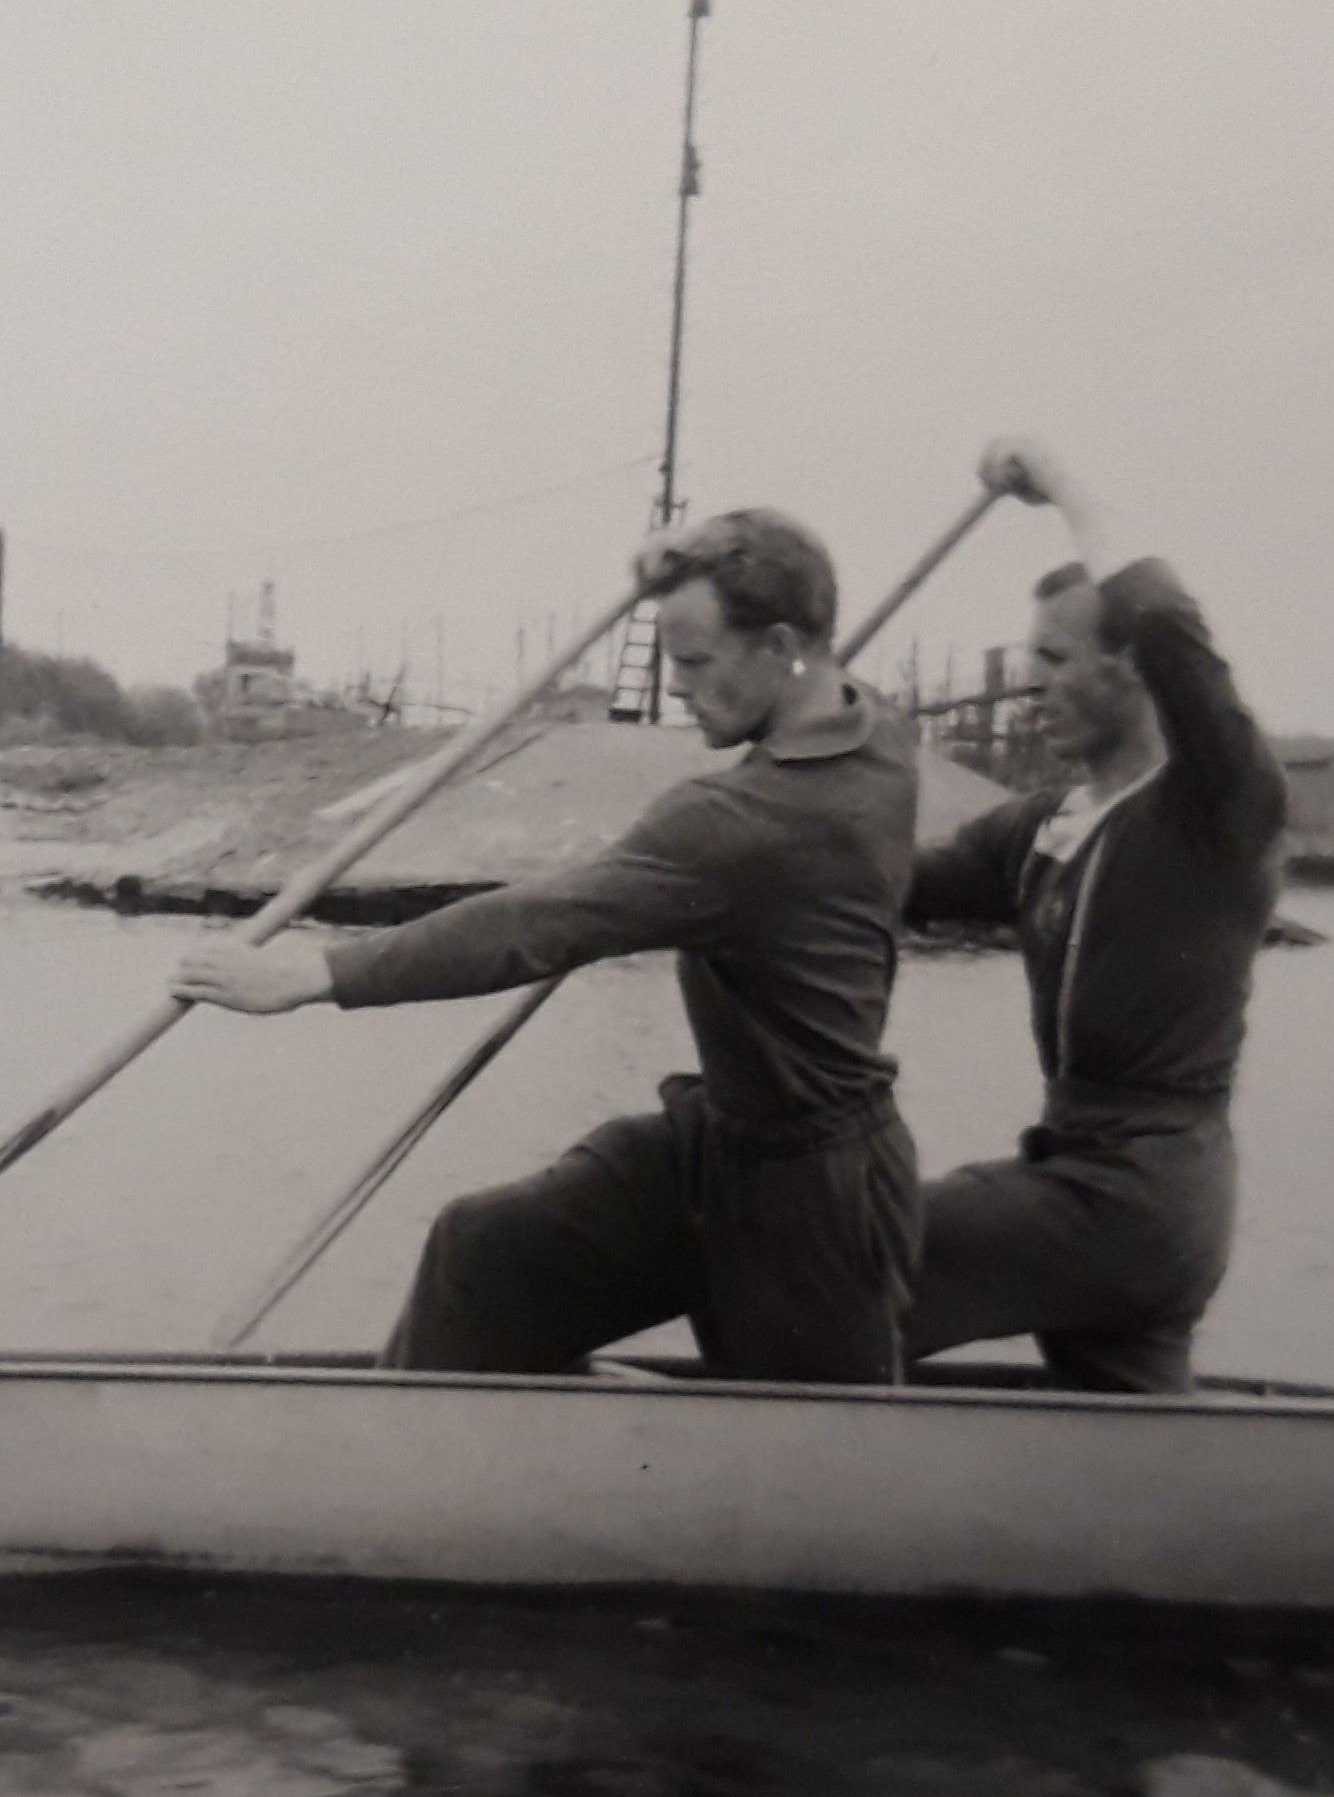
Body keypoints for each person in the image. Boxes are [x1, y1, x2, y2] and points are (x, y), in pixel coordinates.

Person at [171, 508, 921, 1382]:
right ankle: (403, 1479)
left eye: (692, 660)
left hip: (818, 1199)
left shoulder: (741, 824)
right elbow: (788, 588)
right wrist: (689, 556)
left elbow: (531, 925)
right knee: (483, 1253)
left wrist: (316, 974)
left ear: (783, 645)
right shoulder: (881, 729)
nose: (676, 686)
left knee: (815, 1479)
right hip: (715, 1149)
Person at [900, 438, 1287, 1394]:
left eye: (1055, 659)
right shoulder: (1042, 831)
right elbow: (885, 881)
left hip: (1136, 1197)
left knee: (851, 1257)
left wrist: (1068, 489)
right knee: (1132, 1458)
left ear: (1131, 667)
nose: (1033, 684)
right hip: (1110, 1188)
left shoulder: (1217, 811)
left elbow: (1168, 619)